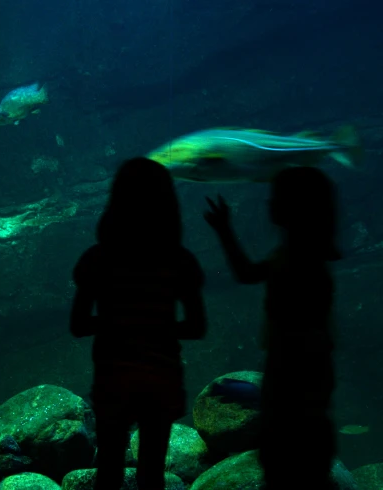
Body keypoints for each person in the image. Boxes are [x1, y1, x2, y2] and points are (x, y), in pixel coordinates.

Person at [70, 157, 207, 490]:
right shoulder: (179, 260)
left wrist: (116, 324)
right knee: (151, 475)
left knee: (109, 471)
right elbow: (197, 326)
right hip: (161, 376)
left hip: (113, 377)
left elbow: (78, 324)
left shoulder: (97, 258)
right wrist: (157, 328)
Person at [203, 166, 340, 490]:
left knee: (288, 466)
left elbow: (302, 341)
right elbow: (248, 273)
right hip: (303, 381)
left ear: (296, 210)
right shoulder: (297, 258)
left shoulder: (298, 264)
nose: (268, 203)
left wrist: (273, 395)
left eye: (276, 197)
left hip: (295, 378)